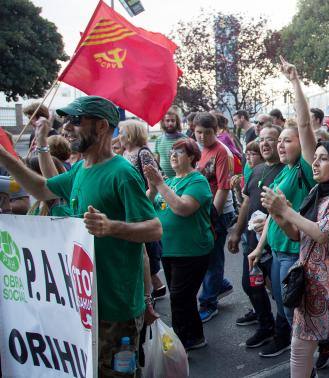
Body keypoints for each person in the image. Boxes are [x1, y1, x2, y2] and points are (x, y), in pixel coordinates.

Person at [0, 96, 162, 376]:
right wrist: (5, 156)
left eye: (76, 121)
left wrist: (111, 227)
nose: (67, 127)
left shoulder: (122, 173)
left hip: (115, 308)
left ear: (101, 127)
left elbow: (154, 228)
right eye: (66, 121)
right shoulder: (80, 169)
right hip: (82, 303)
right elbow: (41, 189)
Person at [260, 137, 329, 377]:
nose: (316, 164)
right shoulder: (315, 191)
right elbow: (299, 235)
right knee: (299, 349)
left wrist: (286, 210)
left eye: (324, 159)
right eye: (315, 158)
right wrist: (279, 217)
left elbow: (321, 233)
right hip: (310, 284)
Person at [143, 138, 212, 350]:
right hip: (170, 249)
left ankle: (180, 344)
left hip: (191, 250)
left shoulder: (197, 181)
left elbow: (183, 208)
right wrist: (152, 188)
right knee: (183, 297)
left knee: (180, 298)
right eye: (172, 152)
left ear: (191, 157)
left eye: (179, 152)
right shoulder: (171, 181)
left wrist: (160, 184)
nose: (173, 155)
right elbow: (147, 205)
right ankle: (195, 336)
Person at [227, 124, 284, 348]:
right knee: (251, 285)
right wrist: (236, 232)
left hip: (275, 243)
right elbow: (247, 202)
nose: (265, 143)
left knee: (281, 292)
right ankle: (265, 325)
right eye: (261, 139)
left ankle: (284, 333)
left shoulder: (286, 170)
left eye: (271, 139)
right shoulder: (257, 169)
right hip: (253, 243)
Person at [119, 119, 167, 300]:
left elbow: (153, 182)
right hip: (131, 204)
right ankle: (156, 286)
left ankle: (152, 289)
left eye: (122, 132)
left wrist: (144, 201)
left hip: (143, 202)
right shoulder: (125, 153)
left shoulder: (143, 153)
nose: (119, 136)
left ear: (131, 134)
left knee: (146, 248)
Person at [194, 112, 235, 322]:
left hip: (218, 212)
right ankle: (220, 285)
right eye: (199, 132)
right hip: (203, 211)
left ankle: (209, 303)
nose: (202, 137)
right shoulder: (200, 149)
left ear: (216, 131)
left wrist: (213, 215)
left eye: (207, 133)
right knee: (207, 257)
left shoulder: (221, 151)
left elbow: (223, 187)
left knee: (212, 259)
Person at [154, 108, 186, 178]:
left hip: (181, 178)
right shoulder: (158, 140)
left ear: (177, 122)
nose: (170, 123)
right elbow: (156, 161)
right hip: (164, 180)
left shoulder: (184, 139)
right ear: (163, 122)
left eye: (173, 120)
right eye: (167, 120)